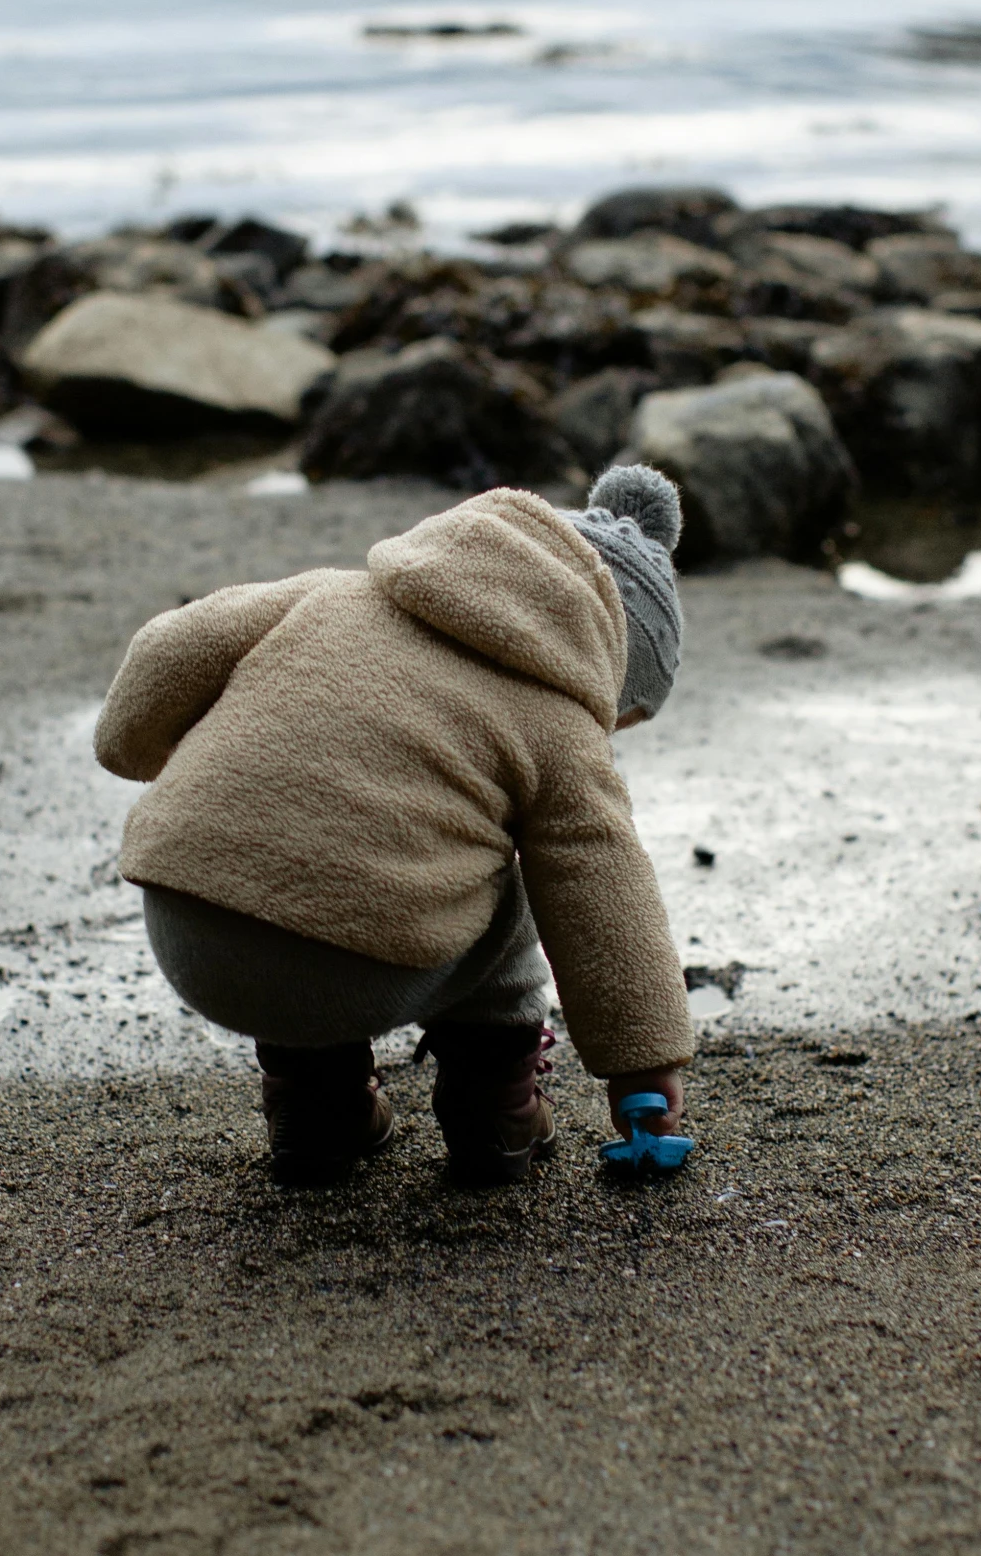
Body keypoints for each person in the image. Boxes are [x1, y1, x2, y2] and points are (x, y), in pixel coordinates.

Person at [95, 464, 693, 1187]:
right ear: (611, 656)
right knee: (522, 880)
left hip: (188, 918)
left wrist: (139, 748)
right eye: (621, 712)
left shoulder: (326, 594)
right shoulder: (558, 723)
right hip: (360, 960)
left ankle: (316, 1104)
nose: (609, 728)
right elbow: (606, 899)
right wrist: (643, 1066)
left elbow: (165, 650)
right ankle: (495, 1106)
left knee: (329, 843)